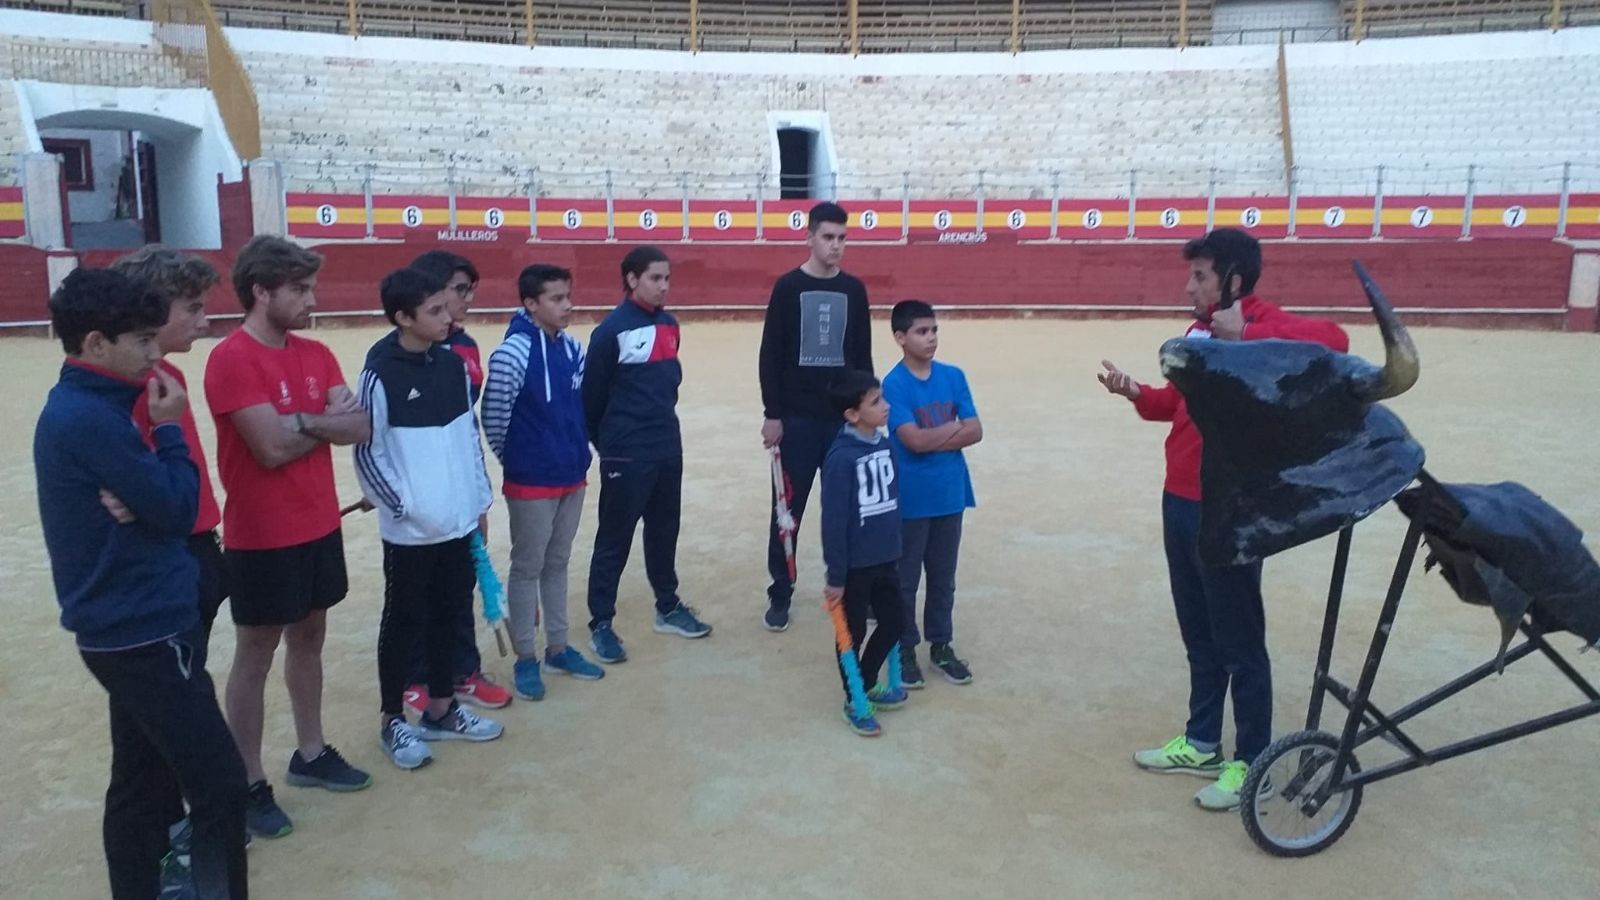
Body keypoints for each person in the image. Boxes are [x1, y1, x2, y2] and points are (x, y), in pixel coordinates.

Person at [1097, 228, 1349, 812]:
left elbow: (1335, 340)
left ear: (1233, 282)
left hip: (1230, 507)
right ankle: (1203, 741)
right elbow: (1175, 404)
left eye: (1200, 277)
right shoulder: (1199, 332)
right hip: (1179, 498)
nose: (1188, 287)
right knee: (1199, 633)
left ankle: (1250, 759)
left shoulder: (1261, 329)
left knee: (1240, 639)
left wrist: (1251, 332)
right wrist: (1137, 393)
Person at [36, 268, 248, 899]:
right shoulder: (95, 417)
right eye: (142, 340)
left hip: (126, 625)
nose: (156, 353)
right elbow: (177, 510)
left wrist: (151, 490)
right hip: (143, 630)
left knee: (142, 781)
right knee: (219, 786)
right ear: (97, 343)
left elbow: (158, 508)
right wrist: (170, 437)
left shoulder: (87, 404)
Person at [205, 235, 373, 839]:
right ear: (261, 291)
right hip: (261, 535)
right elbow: (269, 449)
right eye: (300, 289)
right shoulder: (230, 358)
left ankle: (310, 751)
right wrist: (321, 425)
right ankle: (248, 781)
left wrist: (304, 421)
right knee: (255, 652)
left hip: (318, 523)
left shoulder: (318, 353)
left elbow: (359, 426)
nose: (312, 299)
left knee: (310, 637)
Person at [356, 267, 504, 770]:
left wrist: (475, 499)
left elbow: (468, 437)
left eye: (449, 307)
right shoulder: (379, 371)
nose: (449, 318)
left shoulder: (452, 366)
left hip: (457, 522)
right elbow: (368, 453)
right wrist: (405, 508)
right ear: (403, 317)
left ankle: (442, 710)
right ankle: (393, 719)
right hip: (410, 531)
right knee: (404, 620)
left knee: (448, 613)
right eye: (436, 311)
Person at [481, 263, 606, 700]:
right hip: (532, 480)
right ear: (531, 304)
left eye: (568, 295)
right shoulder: (512, 354)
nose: (567, 305)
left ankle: (557, 646)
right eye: (556, 298)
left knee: (557, 563)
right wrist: (520, 460)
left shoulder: (572, 348)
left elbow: (579, 408)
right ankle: (525, 658)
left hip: (572, 474)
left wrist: (573, 454)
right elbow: (493, 420)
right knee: (527, 567)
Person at [582, 246, 712, 663]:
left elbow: (667, 386)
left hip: (666, 445)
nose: (664, 286)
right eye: (655, 278)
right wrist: (611, 446)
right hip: (625, 451)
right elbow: (590, 400)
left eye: (667, 278)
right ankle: (601, 621)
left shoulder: (671, 326)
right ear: (632, 279)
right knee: (614, 539)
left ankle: (668, 607)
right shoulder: (609, 333)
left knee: (664, 529)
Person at [400, 250, 512, 712]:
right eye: (459, 290)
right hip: (420, 490)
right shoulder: (398, 353)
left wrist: (478, 489)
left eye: (470, 291)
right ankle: (417, 674)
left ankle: (463, 671)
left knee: (461, 578)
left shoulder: (464, 345)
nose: (467, 301)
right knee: (419, 588)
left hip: (465, 482)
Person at [757, 201, 874, 632]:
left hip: (844, 421)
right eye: (828, 237)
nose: (836, 246)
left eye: (842, 238)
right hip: (798, 421)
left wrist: (868, 410)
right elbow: (770, 355)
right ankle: (780, 593)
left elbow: (862, 356)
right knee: (788, 510)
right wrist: (773, 414)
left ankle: (854, 588)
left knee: (850, 509)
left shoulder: (855, 290)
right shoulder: (787, 288)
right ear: (809, 237)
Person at [112, 247, 230, 647]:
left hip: (196, 545)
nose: (205, 321)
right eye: (193, 308)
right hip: (166, 557)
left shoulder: (166, 372)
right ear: (151, 306)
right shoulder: (127, 383)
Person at [881, 299, 983, 688]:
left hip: (950, 494)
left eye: (934, 330)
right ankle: (905, 647)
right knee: (905, 579)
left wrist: (933, 438)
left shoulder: (953, 376)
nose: (931, 338)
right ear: (900, 337)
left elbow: (976, 430)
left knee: (943, 577)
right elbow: (914, 441)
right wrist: (953, 433)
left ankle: (941, 644)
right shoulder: (893, 384)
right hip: (912, 498)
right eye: (922, 331)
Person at [820, 369, 908, 737]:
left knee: (895, 621)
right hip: (855, 567)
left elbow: (892, 500)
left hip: (886, 558)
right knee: (851, 633)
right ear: (852, 415)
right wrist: (836, 576)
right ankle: (854, 696)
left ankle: (867, 679)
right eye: (876, 402)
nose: (886, 406)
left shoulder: (885, 444)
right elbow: (834, 521)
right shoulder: (841, 459)